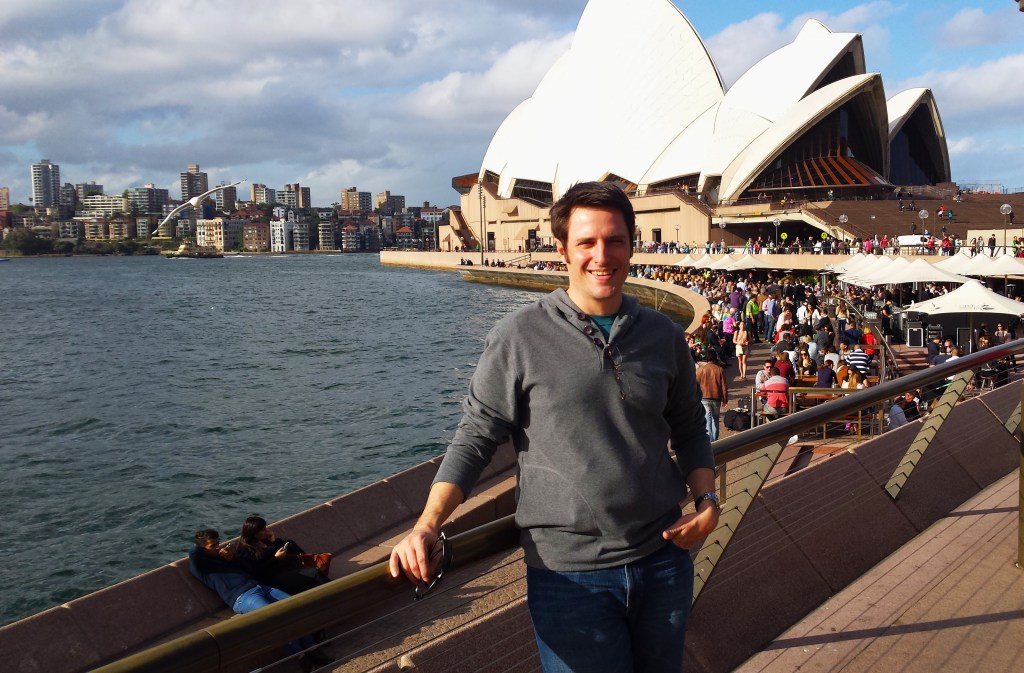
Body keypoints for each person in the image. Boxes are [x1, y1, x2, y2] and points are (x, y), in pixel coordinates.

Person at [389, 182, 718, 673]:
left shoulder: (664, 336)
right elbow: (476, 437)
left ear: (632, 244)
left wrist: (708, 503)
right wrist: (426, 526)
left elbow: (690, 428)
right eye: (587, 243)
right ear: (561, 249)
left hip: (664, 558)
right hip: (570, 577)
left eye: (615, 241)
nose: (602, 256)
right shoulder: (519, 336)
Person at [189, 529, 330, 671]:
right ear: (202, 548)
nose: (218, 547)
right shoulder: (201, 566)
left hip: (261, 587)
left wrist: (231, 559)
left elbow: (247, 569)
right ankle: (301, 656)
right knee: (274, 619)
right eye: (213, 546)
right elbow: (193, 554)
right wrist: (200, 543)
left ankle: (313, 650)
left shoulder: (225, 557)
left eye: (218, 543)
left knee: (295, 608)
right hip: (242, 597)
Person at [234, 515, 330, 596]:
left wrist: (275, 541)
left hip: (290, 571)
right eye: (263, 530)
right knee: (315, 573)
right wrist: (276, 558)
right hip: (274, 579)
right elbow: (256, 572)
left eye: (265, 528)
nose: (266, 531)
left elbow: (295, 549)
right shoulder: (244, 551)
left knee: (313, 584)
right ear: (253, 533)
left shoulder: (266, 541)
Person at [696, 352, 728, 442]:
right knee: (715, 419)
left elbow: (696, 384)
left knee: (707, 419)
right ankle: (715, 439)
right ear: (715, 358)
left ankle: (710, 441)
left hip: (704, 398)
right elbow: (724, 386)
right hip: (716, 397)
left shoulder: (700, 369)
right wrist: (725, 399)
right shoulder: (720, 369)